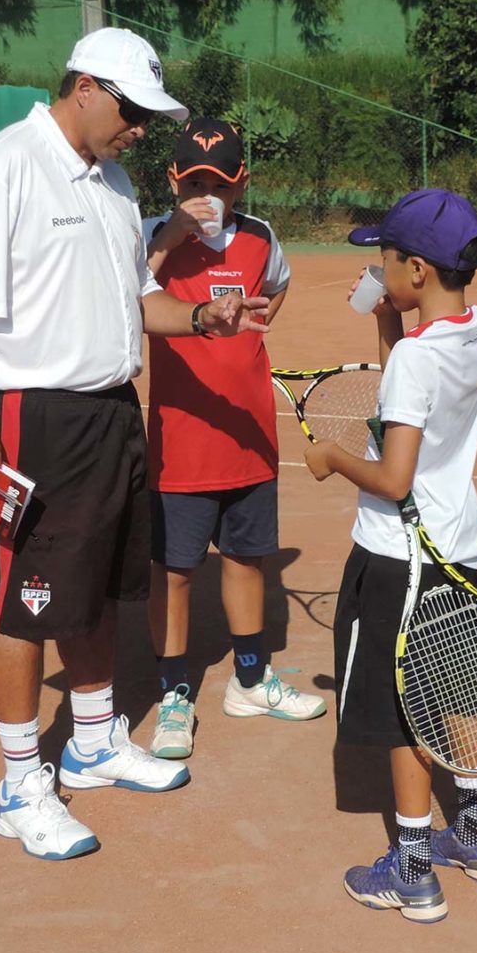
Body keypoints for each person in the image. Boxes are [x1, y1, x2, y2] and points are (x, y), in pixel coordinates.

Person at [0, 28, 271, 862]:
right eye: (132, 111)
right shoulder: (7, 164)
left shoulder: (113, 183)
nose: (140, 128)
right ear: (85, 88)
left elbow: (138, 301)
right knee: (25, 598)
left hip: (113, 410)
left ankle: (95, 738)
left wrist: (203, 316)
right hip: (31, 415)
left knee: (104, 587)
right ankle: (18, 785)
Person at [304, 189, 477, 923]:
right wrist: (390, 322)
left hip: (399, 556)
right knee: (458, 693)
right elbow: (411, 397)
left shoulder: (416, 360)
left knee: (403, 712)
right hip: (456, 548)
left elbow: (393, 477)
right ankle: (475, 838)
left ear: (416, 269)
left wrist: (332, 457)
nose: (377, 270)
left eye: (385, 260)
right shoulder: (475, 328)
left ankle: (414, 870)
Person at [142, 117, 326, 760]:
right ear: (173, 180)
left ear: (241, 183)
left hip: (249, 435)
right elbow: (124, 292)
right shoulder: (149, 239)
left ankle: (250, 681)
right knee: (174, 572)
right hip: (180, 443)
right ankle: (173, 693)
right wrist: (171, 236)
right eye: (194, 183)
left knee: (248, 560)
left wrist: (253, 328)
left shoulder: (260, 238)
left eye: (218, 185)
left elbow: (278, 285)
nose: (206, 196)